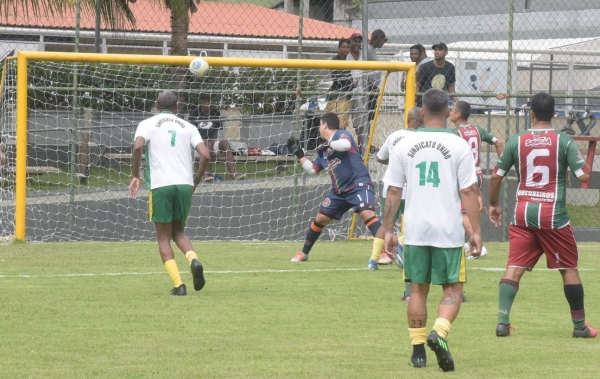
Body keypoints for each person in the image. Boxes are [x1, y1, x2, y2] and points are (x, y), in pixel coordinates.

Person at [383, 88, 482, 371]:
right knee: (452, 288)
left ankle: (417, 352)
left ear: (422, 112)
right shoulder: (459, 144)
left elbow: (393, 191)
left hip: (414, 228)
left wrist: (388, 229)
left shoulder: (403, 144)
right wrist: (475, 230)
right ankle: (438, 333)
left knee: (417, 290)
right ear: (448, 112)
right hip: (447, 230)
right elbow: (468, 190)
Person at [488, 92, 596, 339]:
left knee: (514, 267)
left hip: (523, 212)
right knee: (568, 268)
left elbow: (496, 177)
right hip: (553, 214)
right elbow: (584, 176)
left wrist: (494, 204)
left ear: (531, 113)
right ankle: (580, 327)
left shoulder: (517, 140)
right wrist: (583, 161)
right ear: (555, 113)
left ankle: (502, 323)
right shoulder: (564, 141)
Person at [129, 91, 210, 296]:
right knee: (178, 232)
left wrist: (135, 175)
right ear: (176, 107)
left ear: (157, 106)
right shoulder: (189, 127)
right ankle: (193, 259)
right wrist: (196, 181)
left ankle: (179, 285)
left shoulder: (147, 124)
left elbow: (138, 146)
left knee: (163, 238)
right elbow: (206, 155)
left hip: (161, 186)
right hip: (184, 185)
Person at [286, 112, 387, 270]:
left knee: (367, 214)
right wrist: (299, 154)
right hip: (339, 192)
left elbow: (346, 145)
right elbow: (313, 170)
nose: (319, 128)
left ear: (325, 124)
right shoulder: (323, 151)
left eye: (320, 124)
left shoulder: (342, 134)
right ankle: (304, 253)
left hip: (358, 184)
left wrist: (329, 145)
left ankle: (386, 251)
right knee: (320, 219)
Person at [376, 108, 421, 301]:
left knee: (388, 224)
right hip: (413, 189)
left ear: (407, 119)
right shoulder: (422, 138)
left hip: (392, 186)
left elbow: (379, 157)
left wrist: (395, 165)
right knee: (412, 230)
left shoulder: (395, 136)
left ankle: (376, 258)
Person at [449, 100, 504, 259]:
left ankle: (480, 247)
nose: (450, 112)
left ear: (458, 114)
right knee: (471, 209)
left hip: (464, 176)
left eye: (452, 109)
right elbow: (498, 142)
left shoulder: (454, 133)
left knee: (463, 214)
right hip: (478, 174)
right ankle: (468, 242)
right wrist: (500, 167)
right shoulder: (477, 130)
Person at [189, 94, 246, 182]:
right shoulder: (194, 113)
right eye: (205, 101)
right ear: (201, 102)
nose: (207, 103)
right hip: (198, 145)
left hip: (212, 143)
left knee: (225, 143)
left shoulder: (216, 113)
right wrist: (205, 143)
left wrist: (212, 142)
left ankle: (234, 176)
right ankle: (206, 176)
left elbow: (216, 131)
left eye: (209, 101)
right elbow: (191, 132)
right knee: (207, 144)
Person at [346, 32, 370, 154]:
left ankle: (361, 150)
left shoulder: (363, 56)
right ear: (350, 42)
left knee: (360, 125)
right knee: (342, 122)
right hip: (346, 94)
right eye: (354, 41)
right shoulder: (346, 55)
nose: (356, 43)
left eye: (358, 41)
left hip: (360, 94)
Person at [416, 43, 458, 107]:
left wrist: (458, 102)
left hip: (440, 101)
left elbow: (450, 87)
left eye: (440, 50)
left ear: (446, 53)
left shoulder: (450, 67)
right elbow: (418, 85)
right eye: (435, 50)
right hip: (425, 101)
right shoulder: (425, 66)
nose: (437, 52)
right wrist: (413, 101)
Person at [326, 38, 353, 130]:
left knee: (343, 124)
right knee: (337, 124)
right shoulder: (336, 60)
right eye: (343, 47)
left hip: (345, 95)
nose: (346, 49)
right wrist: (351, 83)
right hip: (337, 97)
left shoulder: (347, 61)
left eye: (348, 47)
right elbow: (337, 78)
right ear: (339, 48)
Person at [365, 29, 388, 123]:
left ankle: (367, 135)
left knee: (370, 117)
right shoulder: (367, 49)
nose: (383, 43)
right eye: (383, 40)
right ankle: (365, 136)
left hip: (373, 86)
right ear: (378, 39)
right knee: (366, 116)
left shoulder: (371, 49)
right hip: (369, 86)